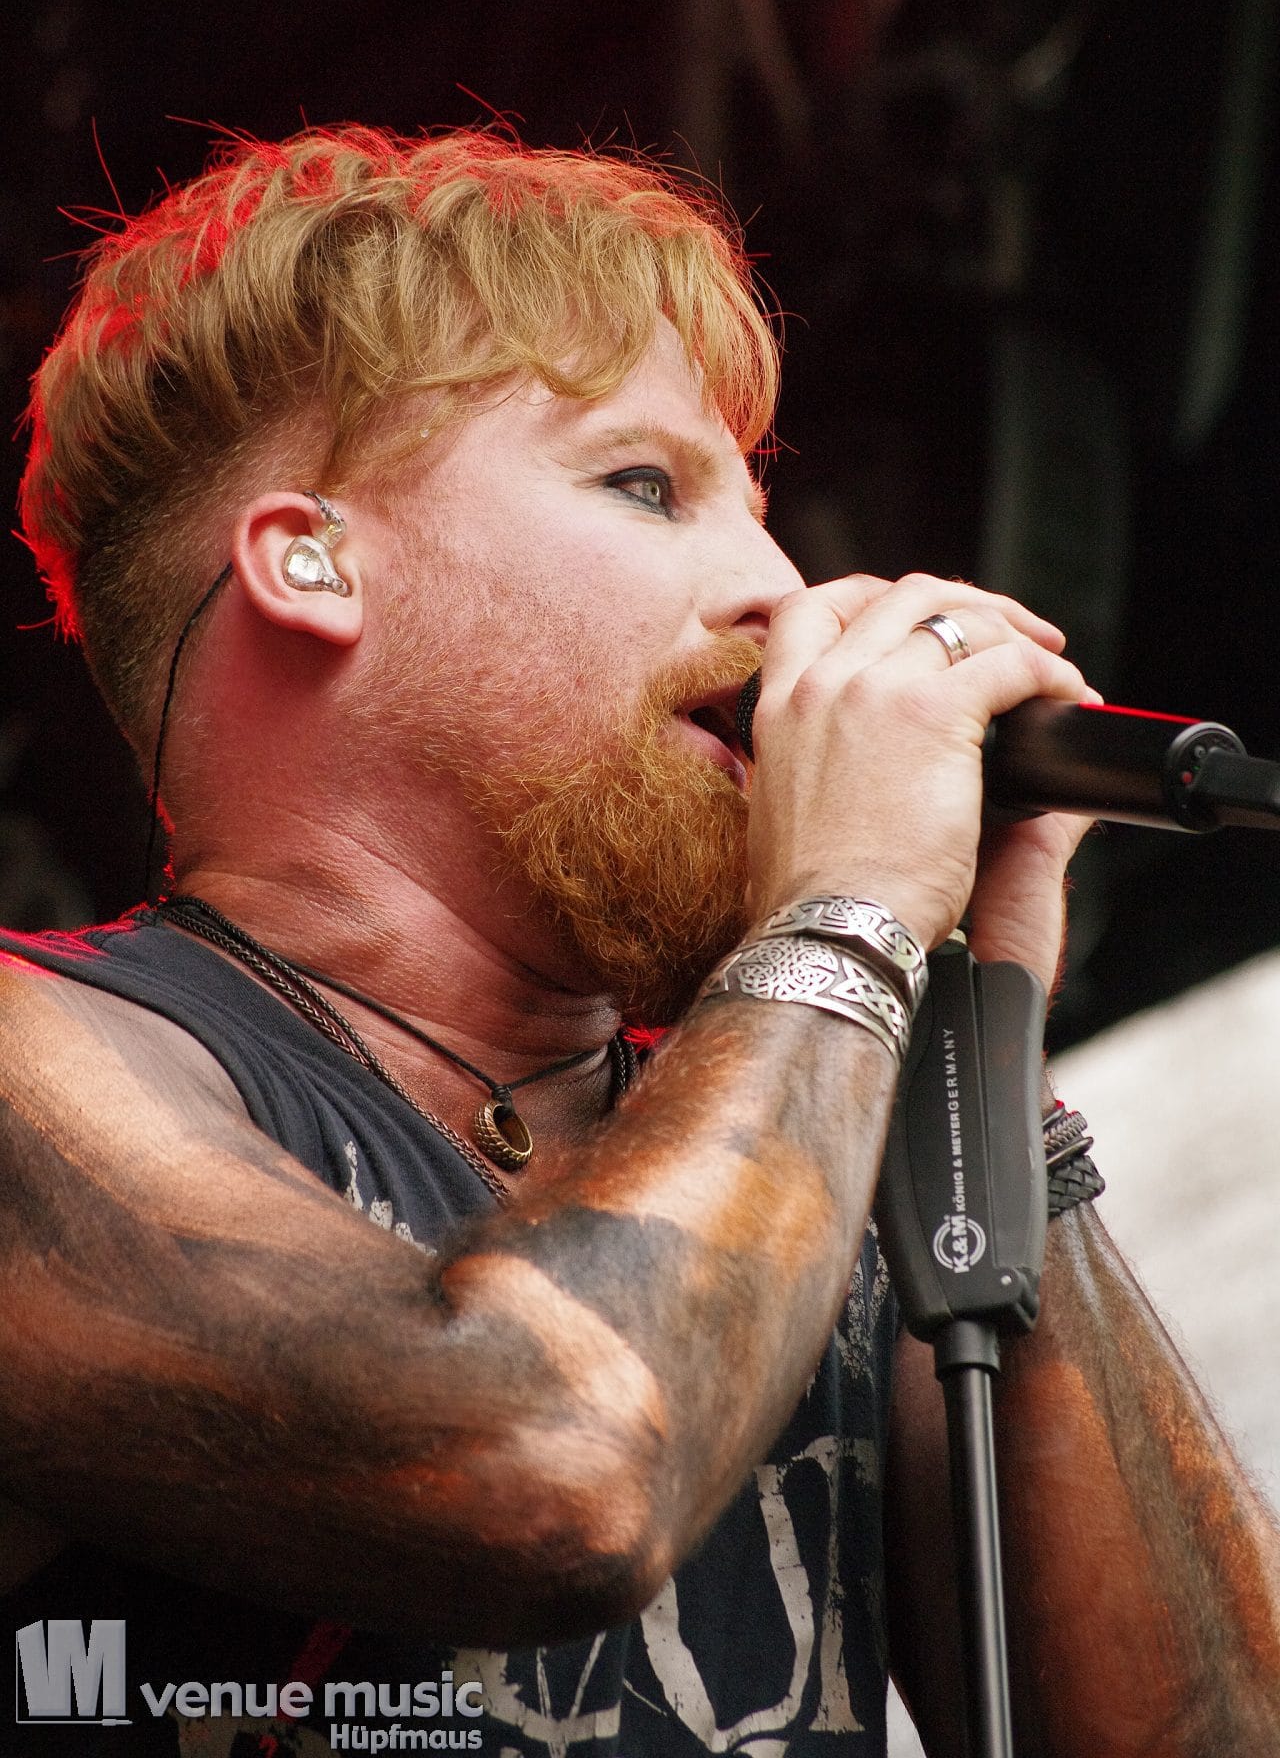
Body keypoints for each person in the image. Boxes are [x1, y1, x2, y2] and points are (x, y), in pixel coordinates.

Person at [1, 126, 1276, 1758]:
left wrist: (971, 1044)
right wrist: (846, 915)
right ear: (310, 563)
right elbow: (548, 1465)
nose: (782, 590)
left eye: (760, 504)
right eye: (646, 485)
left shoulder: (810, 1144)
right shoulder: (48, 1057)